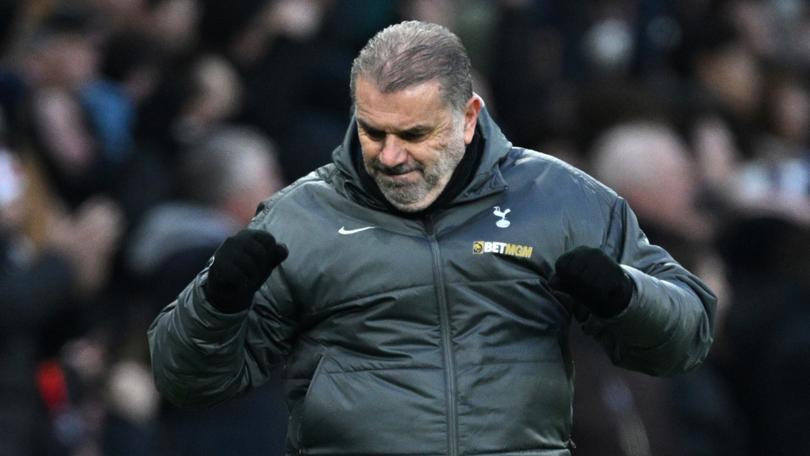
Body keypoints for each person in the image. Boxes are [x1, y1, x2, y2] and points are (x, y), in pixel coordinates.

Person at [148, 21, 716, 455]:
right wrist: (215, 305)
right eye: (375, 131)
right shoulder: (302, 218)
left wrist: (627, 297)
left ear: (468, 118)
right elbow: (186, 381)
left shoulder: (562, 199)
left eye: (416, 133)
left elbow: (688, 334)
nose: (391, 156)